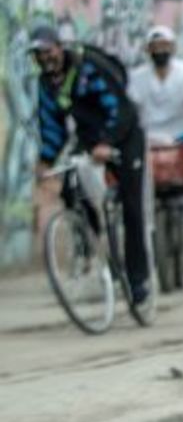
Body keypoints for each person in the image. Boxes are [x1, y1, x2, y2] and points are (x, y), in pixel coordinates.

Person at [30, 25, 150, 305]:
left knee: (132, 206)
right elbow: (51, 126)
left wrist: (108, 142)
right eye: (38, 54)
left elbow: (120, 108)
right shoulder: (46, 84)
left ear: (60, 48)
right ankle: (92, 243)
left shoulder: (88, 67)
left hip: (124, 134)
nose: (44, 59)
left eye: (48, 51)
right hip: (88, 137)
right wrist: (45, 162)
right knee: (69, 188)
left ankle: (137, 280)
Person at [127, 24, 183, 147]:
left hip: (181, 140)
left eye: (164, 46)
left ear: (173, 48)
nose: (159, 51)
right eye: (155, 47)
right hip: (149, 140)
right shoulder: (138, 76)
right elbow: (131, 105)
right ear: (148, 50)